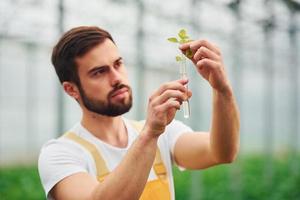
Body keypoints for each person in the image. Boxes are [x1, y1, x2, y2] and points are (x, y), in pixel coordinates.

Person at [38, 26, 240, 200]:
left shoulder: (165, 134)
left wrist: (222, 91)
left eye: (118, 64)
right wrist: (150, 134)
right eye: (99, 72)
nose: (116, 78)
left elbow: (222, 152)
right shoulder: (61, 154)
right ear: (71, 89)